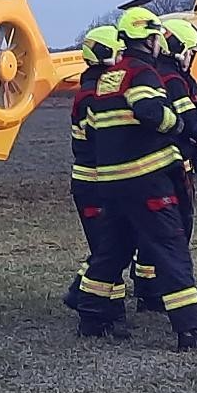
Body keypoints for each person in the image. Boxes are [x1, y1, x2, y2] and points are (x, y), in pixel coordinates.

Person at [75, 7, 197, 348]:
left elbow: (94, 127)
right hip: (147, 177)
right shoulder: (142, 73)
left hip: (112, 180)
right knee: (170, 247)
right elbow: (149, 111)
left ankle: (91, 314)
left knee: (113, 250)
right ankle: (190, 329)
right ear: (151, 39)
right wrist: (175, 125)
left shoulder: (109, 76)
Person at [133, 17, 197, 312]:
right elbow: (195, 124)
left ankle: (148, 287)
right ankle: (163, 296)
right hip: (175, 165)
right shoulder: (173, 80)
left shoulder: (166, 77)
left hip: (166, 165)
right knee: (174, 233)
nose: (192, 58)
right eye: (192, 52)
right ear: (180, 49)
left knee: (149, 233)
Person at [63, 26, 124, 312]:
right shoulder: (93, 95)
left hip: (101, 182)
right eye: (120, 52)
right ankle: (101, 307)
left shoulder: (95, 90)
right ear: (107, 54)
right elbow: (104, 138)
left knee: (110, 246)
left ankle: (91, 300)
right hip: (93, 184)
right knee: (106, 249)